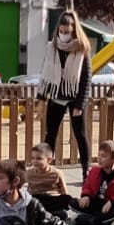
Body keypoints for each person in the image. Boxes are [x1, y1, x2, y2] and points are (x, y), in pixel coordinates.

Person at [39, 11, 95, 178]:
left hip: (74, 97)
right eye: (61, 31)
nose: (64, 35)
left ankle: (86, 170)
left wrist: (80, 105)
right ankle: (45, 169)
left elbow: (86, 79)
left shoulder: (82, 49)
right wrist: (41, 99)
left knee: (80, 134)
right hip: (56, 96)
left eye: (67, 32)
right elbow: (45, 74)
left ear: (74, 31)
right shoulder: (52, 47)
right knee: (50, 134)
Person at [71, 140, 114, 225]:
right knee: (72, 202)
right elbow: (87, 186)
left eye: (103, 156)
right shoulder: (95, 171)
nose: (99, 158)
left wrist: (113, 201)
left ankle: (92, 221)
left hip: (111, 207)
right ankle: (105, 221)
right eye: (99, 155)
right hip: (97, 205)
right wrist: (86, 196)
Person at [26, 143, 76, 216]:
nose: (35, 161)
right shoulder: (29, 172)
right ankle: (44, 213)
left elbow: (63, 190)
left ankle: (45, 212)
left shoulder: (57, 173)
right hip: (37, 198)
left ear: (49, 160)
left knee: (67, 198)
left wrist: (65, 200)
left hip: (52, 198)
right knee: (29, 200)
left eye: (39, 158)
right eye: (33, 158)